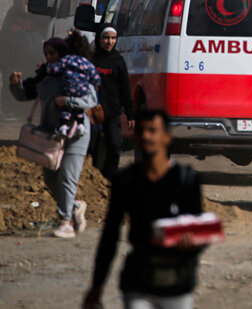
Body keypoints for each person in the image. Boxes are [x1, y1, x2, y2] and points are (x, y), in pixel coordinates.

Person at [84, 110, 205, 309]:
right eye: (141, 131)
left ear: (167, 137)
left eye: (152, 131)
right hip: (138, 281)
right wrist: (97, 286)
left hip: (177, 283)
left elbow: (200, 231)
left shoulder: (186, 180)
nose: (146, 136)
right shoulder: (126, 181)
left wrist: (192, 245)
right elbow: (110, 235)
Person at [9, 34, 97, 238]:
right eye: (46, 54)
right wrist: (15, 84)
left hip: (75, 132)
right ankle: (75, 206)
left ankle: (65, 223)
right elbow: (25, 93)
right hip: (52, 136)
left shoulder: (79, 73)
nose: (49, 57)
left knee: (67, 175)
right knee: (50, 178)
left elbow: (91, 99)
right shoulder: (45, 76)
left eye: (53, 53)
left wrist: (67, 101)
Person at [93, 24, 134, 180]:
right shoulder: (92, 59)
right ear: (99, 39)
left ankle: (108, 178)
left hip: (111, 112)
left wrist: (131, 114)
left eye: (113, 38)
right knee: (92, 147)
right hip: (92, 113)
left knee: (116, 145)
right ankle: (91, 177)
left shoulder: (118, 61)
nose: (109, 42)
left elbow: (125, 89)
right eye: (106, 38)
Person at [0, 0, 44, 118]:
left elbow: (41, 31)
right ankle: (9, 109)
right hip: (11, 56)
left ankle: (25, 110)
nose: (20, 2)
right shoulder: (11, 13)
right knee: (10, 81)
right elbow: (5, 35)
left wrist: (27, 13)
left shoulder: (36, 14)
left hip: (30, 56)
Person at [46, 52, 101, 139]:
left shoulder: (67, 59)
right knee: (79, 109)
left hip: (69, 88)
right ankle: (81, 127)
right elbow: (96, 77)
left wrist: (47, 66)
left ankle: (63, 127)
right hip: (82, 90)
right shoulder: (87, 62)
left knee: (66, 108)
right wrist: (95, 84)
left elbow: (55, 68)